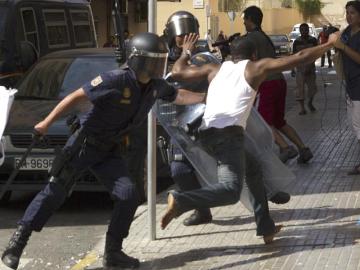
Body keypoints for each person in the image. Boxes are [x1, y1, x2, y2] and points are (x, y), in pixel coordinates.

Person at [0, 32, 206, 270]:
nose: (160, 66)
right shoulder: (114, 80)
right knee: (54, 193)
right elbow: (76, 96)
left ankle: (113, 252)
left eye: (161, 60)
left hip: (109, 150)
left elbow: (178, 95)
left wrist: (206, 98)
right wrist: (46, 122)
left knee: (128, 195)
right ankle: (15, 245)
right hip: (84, 145)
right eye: (155, 61)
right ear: (139, 60)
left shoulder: (155, 86)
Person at [160, 31, 339, 238]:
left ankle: (265, 226)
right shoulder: (255, 68)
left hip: (206, 134)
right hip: (228, 136)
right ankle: (181, 201)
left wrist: (186, 52)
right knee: (230, 191)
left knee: (252, 170)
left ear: (231, 55)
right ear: (254, 55)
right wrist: (328, 45)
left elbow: (178, 71)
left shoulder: (215, 68)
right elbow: (299, 58)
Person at [243, 6, 313, 164]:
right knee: (279, 122)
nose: (244, 23)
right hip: (279, 81)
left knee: (263, 122)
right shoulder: (263, 36)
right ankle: (303, 149)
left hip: (267, 84)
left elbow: (245, 59)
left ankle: (285, 148)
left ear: (250, 20)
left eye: (245, 20)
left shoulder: (250, 38)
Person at [333, 1, 360, 175]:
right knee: (355, 125)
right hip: (351, 84)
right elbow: (337, 42)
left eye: (352, 13)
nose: (348, 16)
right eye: (347, 13)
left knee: (358, 126)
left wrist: (343, 47)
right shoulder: (347, 33)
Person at [293, 23, 319, 115]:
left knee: (312, 89)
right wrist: (293, 69)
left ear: (308, 30)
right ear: (300, 31)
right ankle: (302, 109)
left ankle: (310, 102)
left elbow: (316, 54)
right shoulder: (296, 42)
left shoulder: (313, 40)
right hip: (300, 69)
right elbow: (294, 56)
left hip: (311, 69)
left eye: (306, 29)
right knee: (300, 90)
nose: (304, 31)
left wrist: (310, 65)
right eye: (302, 30)